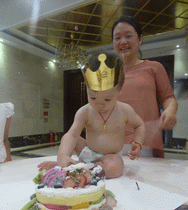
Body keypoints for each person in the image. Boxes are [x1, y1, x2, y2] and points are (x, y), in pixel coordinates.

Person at [38, 51, 145, 178]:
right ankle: (67, 164)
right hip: (87, 152)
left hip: (110, 157)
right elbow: (72, 135)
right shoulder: (85, 111)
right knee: (74, 138)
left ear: (119, 91)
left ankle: (80, 168)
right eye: (93, 97)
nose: (99, 104)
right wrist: (63, 156)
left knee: (115, 167)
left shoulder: (125, 110)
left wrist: (138, 143)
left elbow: (139, 125)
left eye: (107, 99)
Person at [112, 15, 178, 158]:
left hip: (145, 143)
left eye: (128, 36)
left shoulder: (154, 68)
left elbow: (168, 98)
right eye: (117, 38)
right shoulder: (110, 73)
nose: (123, 41)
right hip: (113, 144)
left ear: (140, 39)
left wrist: (170, 111)